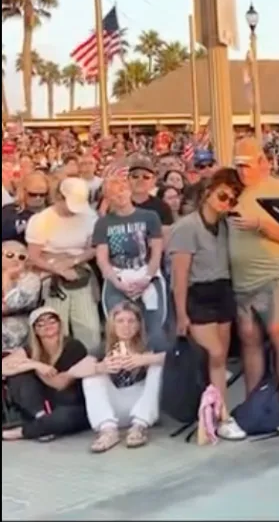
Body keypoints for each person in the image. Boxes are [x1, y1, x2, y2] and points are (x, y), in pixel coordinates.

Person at [168, 168, 247, 440]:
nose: (227, 202)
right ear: (207, 193)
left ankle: (220, 414)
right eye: (223, 195)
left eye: (232, 199)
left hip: (222, 290)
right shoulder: (186, 227)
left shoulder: (226, 226)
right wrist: (181, 314)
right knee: (213, 353)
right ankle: (212, 411)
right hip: (197, 293)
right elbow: (179, 275)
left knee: (220, 358)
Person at [228, 138, 279, 431]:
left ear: (261, 162)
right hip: (242, 282)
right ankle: (254, 404)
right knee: (250, 341)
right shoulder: (235, 191)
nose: (242, 171)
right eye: (238, 165)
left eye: (247, 164)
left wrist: (260, 225)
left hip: (273, 277)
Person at [93, 171, 168, 352]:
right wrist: (116, 283)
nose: (120, 194)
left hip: (147, 274)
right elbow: (102, 258)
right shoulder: (103, 223)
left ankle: (156, 372)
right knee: (120, 331)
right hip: (117, 277)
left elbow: (157, 251)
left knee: (154, 329)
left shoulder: (149, 217)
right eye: (114, 192)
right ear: (108, 197)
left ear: (129, 191)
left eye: (123, 189)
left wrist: (147, 277)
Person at [24, 177, 101, 351]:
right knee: (57, 326)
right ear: (59, 197)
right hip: (51, 275)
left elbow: (93, 248)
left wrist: (73, 261)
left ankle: (89, 362)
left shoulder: (89, 217)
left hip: (80, 271)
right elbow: (34, 256)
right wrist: (58, 269)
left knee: (89, 328)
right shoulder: (41, 220)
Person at [80, 302, 165, 452]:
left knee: (156, 365)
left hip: (141, 408)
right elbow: (74, 370)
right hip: (115, 410)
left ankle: (139, 428)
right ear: (112, 325)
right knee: (91, 375)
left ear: (139, 324)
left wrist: (145, 359)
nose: (126, 326)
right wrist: (100, 367)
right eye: (120, 321)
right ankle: (108, 431)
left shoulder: (149, 344)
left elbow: (175, 358)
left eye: (131, 321)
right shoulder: (103, 347)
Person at [1, 306, 90, 441]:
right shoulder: (31, 349)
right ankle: (42, 419)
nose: (47, 325)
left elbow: (60, 384)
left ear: (59, 324)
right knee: (17, 375)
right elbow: (3, 367)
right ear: (35, 330)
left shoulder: (73, 346)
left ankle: (24, 431)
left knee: (65, 417)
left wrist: (31, 367)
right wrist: (35, 364)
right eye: (41, 323)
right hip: (42, 404)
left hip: (70, 405)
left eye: (51, 321)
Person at [1, 171, 49, 244]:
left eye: (42, 194)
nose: (38, 198)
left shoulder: (51, 212)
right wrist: (26, 224)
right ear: (23, 191)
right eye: (33, 194)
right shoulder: (9, 210)